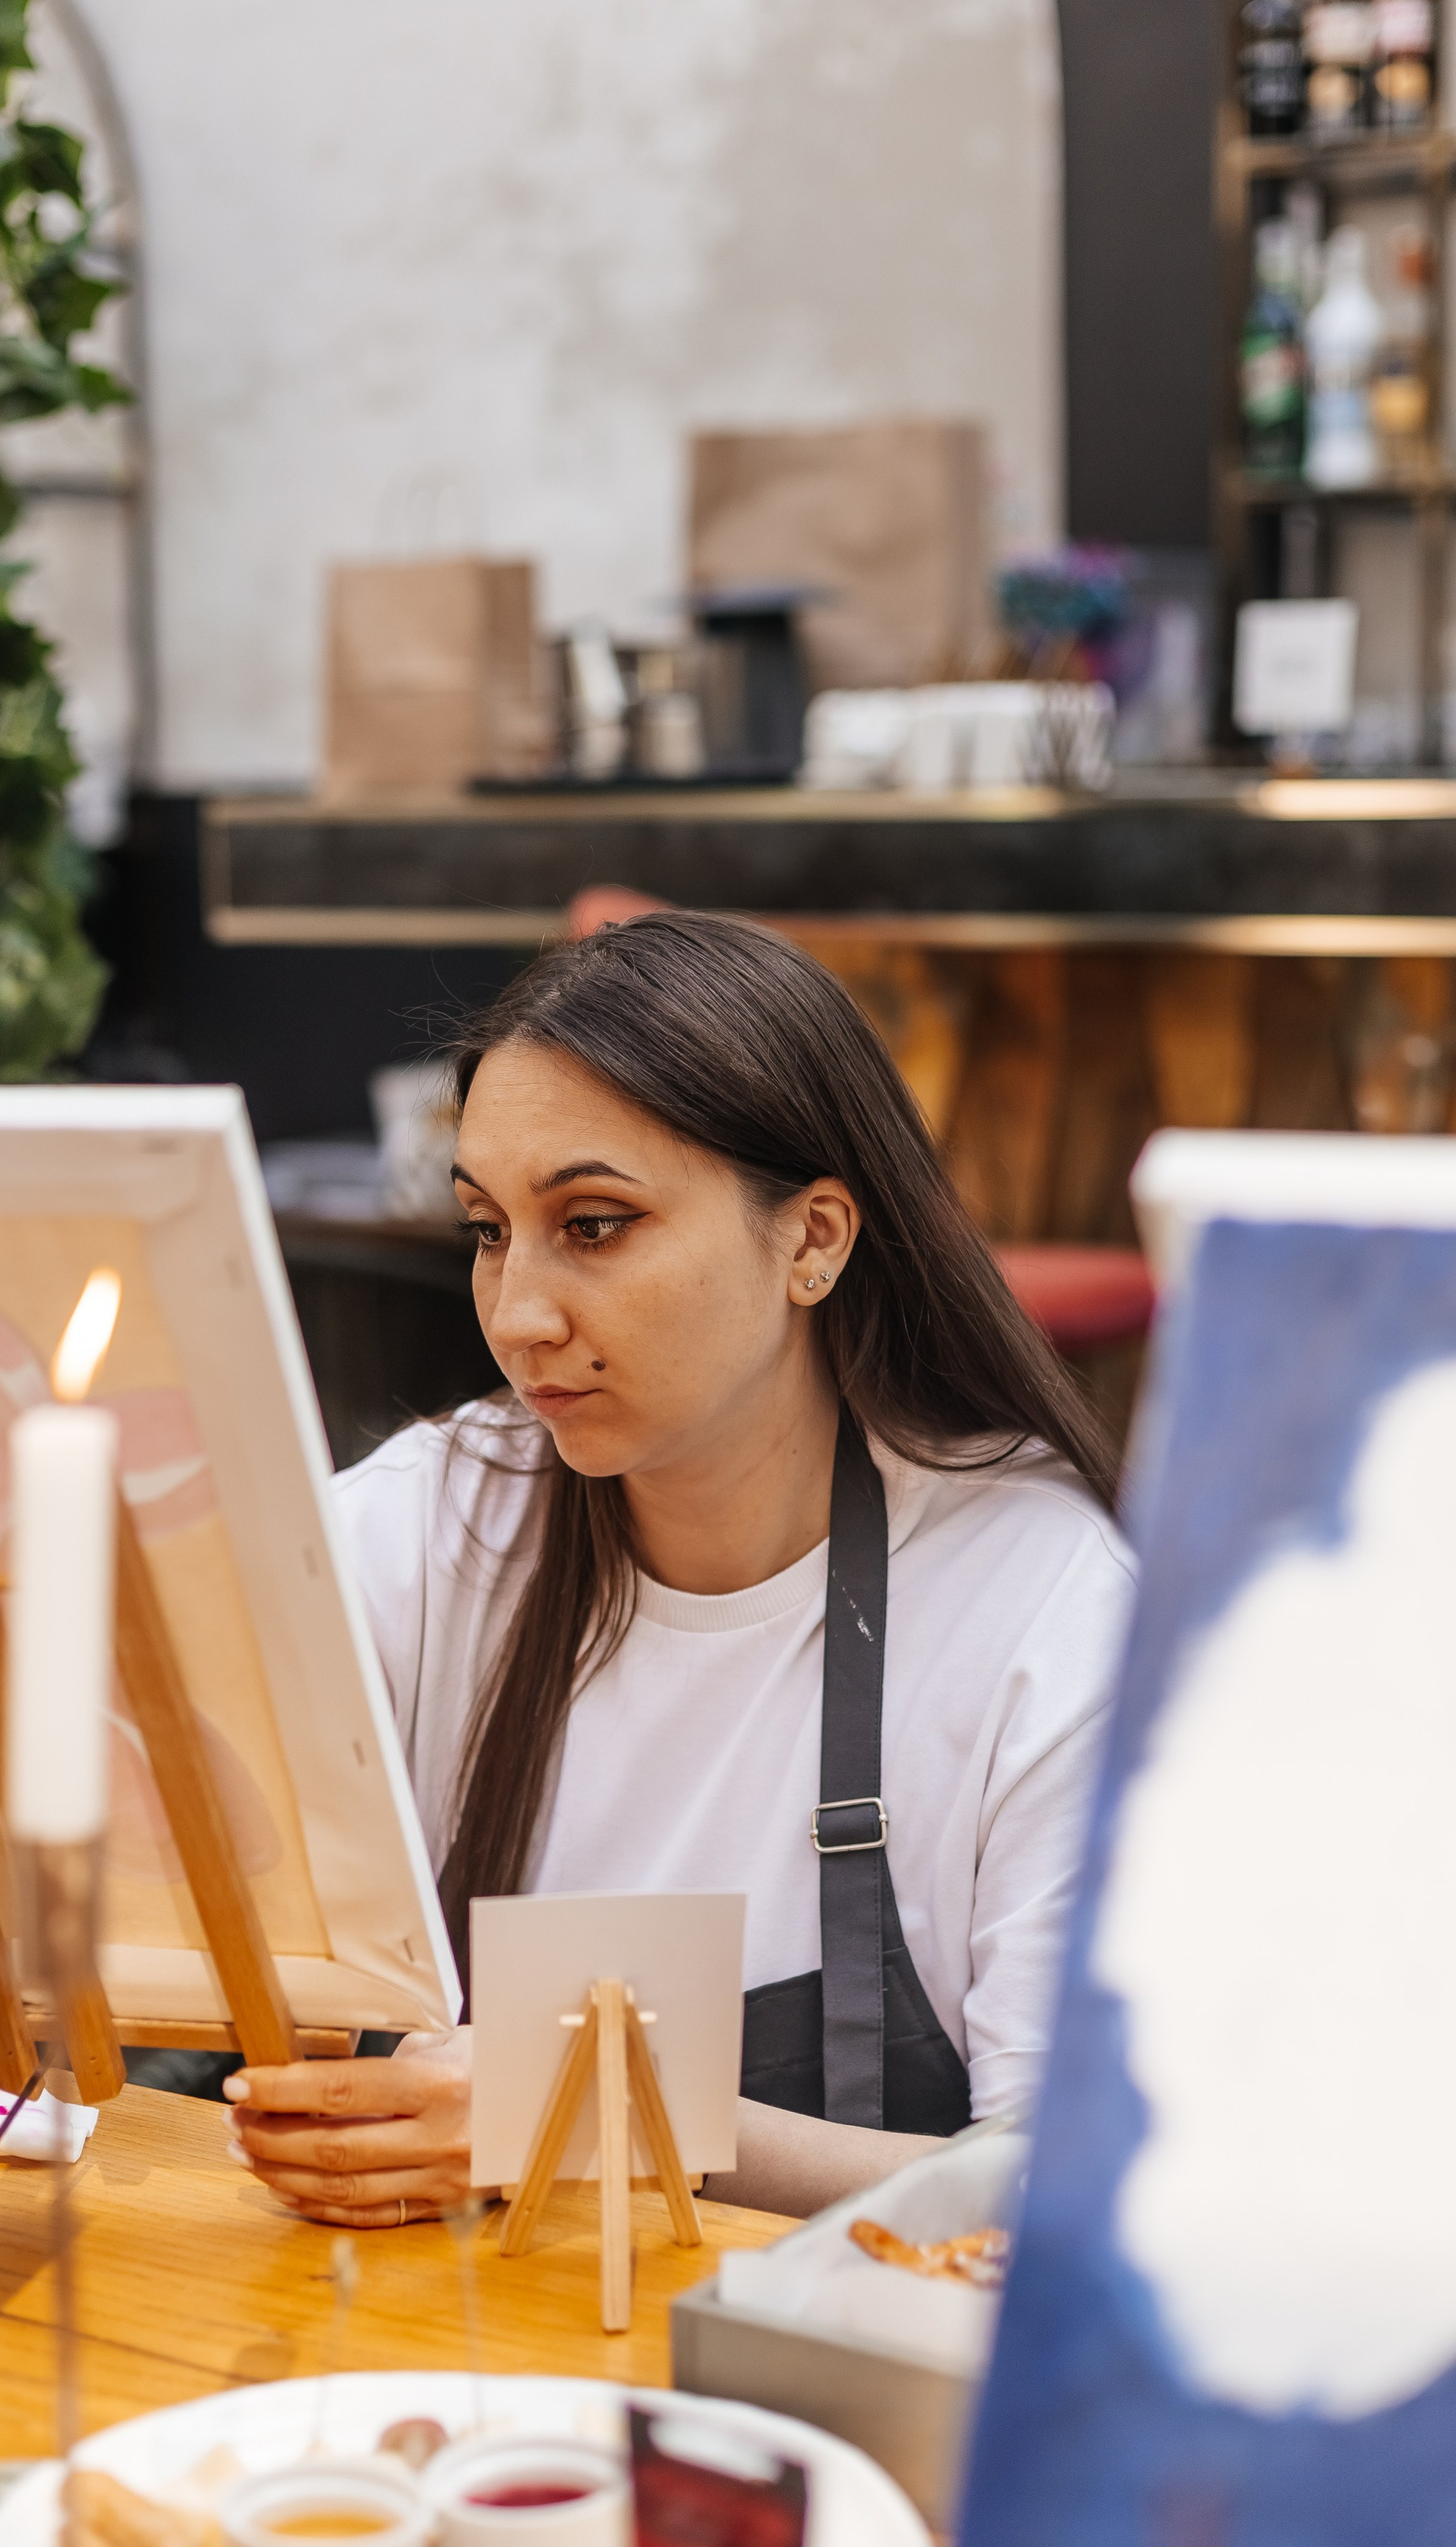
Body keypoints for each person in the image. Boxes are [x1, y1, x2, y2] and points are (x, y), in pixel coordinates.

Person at [224, 914, 1135, 2225]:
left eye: (594, 1226)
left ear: (814, 1239)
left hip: (825, 2387)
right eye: (489, 1230)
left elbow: (1063, 2201)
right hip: (449, 2377)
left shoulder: (1042, 1609)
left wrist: (603, 2112)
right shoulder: (431, 1530)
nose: (518, 1314)